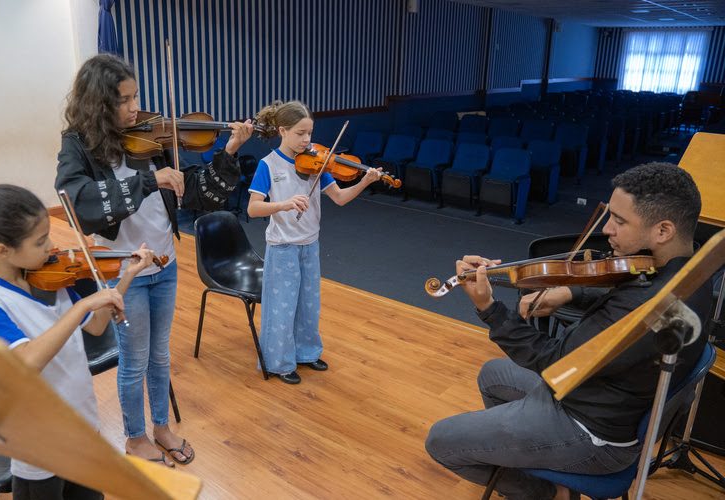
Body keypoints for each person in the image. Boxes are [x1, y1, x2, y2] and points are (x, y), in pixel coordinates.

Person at [425, 162, 713, 500]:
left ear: (662, 230)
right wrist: (570, 290)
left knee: (440, 442)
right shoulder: (690, 270)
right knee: (493, 375)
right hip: (607, 397)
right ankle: (525, 451)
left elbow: (553, 361)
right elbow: (628, 282)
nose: (607, 229)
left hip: (592, 430)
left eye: (619, 221)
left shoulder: (642, 307)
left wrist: (490, 309)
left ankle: (543, 491)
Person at [54, 54, 253, 466]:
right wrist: (148, 179)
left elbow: (193, 194)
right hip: (123, 269)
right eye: (123, 100)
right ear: (97, 103)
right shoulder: (77, 145)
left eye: (136, 96)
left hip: (163, 263)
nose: (134, 108)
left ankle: (161, 427)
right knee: (134, 358)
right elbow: (81, 204)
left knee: (160, 354)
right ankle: (134, 436)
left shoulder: (151, 139)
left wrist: (229, 150)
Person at [0, 184, 157, 499]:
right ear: (2, 250)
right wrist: (81, 307)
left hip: (83, 425)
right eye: (40, 241)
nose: (51, 246)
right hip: (38, 443)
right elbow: (24, 362)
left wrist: (126, 276)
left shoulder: (51, 276)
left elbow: (98, 324)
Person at [247, 100, 382, 384]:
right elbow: (253, 208)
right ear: (282, 131)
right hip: (283, 246)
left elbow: (340, 198)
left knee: (309, 303)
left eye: (309, 132)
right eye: (300, 133)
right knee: (282, 305)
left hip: (310, 243)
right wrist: (283, 205)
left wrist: (365, 181)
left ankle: (306, 353)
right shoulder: (268, 165)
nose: (307, 140)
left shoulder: (318, 162)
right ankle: (279, 362)